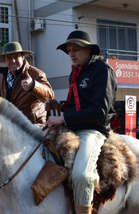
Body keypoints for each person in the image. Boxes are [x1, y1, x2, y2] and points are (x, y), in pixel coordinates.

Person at [46, 30, 118, 214]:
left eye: (76, 49)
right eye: (69, 50)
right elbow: (76, 105)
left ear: (89, 50)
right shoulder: (75, 73)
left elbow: (99, 110)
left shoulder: (103, 71)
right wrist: (59, 105)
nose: (71, 54)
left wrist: (63, 118)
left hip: (92, 130)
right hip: (71, 127)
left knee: (81, 175)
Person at [0, 42, 54, 124]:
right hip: (11, 126)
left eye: (16, 57)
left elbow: (50, 96)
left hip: (33, 127)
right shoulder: (1, 77)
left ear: (23, 57)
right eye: (9, 58)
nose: (13, 61)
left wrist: (33, 85)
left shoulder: (36, 73)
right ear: (4, 60)